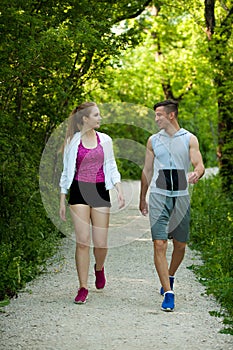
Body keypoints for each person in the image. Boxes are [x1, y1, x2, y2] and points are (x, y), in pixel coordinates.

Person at [139, 100, 205, 312]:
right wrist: (142, 197)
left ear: (171, 116)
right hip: (159, 196)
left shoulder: (188, 139)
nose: (156, 118)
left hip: (181, 197)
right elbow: (147, 171)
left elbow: (199, 164)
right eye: (155, 115)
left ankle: (170, 275)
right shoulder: (152, 141)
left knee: (180, 246)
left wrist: (197, 172)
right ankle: (168, 293)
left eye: (159, 115)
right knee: (159, 244)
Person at [59, 102, 125, 304]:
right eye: (96, 115)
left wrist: (119, 189)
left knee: (101, 243)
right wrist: (62, 199)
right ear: (85, 119)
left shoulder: (105, 140)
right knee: (82, 241)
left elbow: (111, 166)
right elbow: (66, 171)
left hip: (99, 191)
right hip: (79, 191)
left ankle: (99, 268)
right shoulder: (72, 142)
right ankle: (82, 287)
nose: (100, 118)